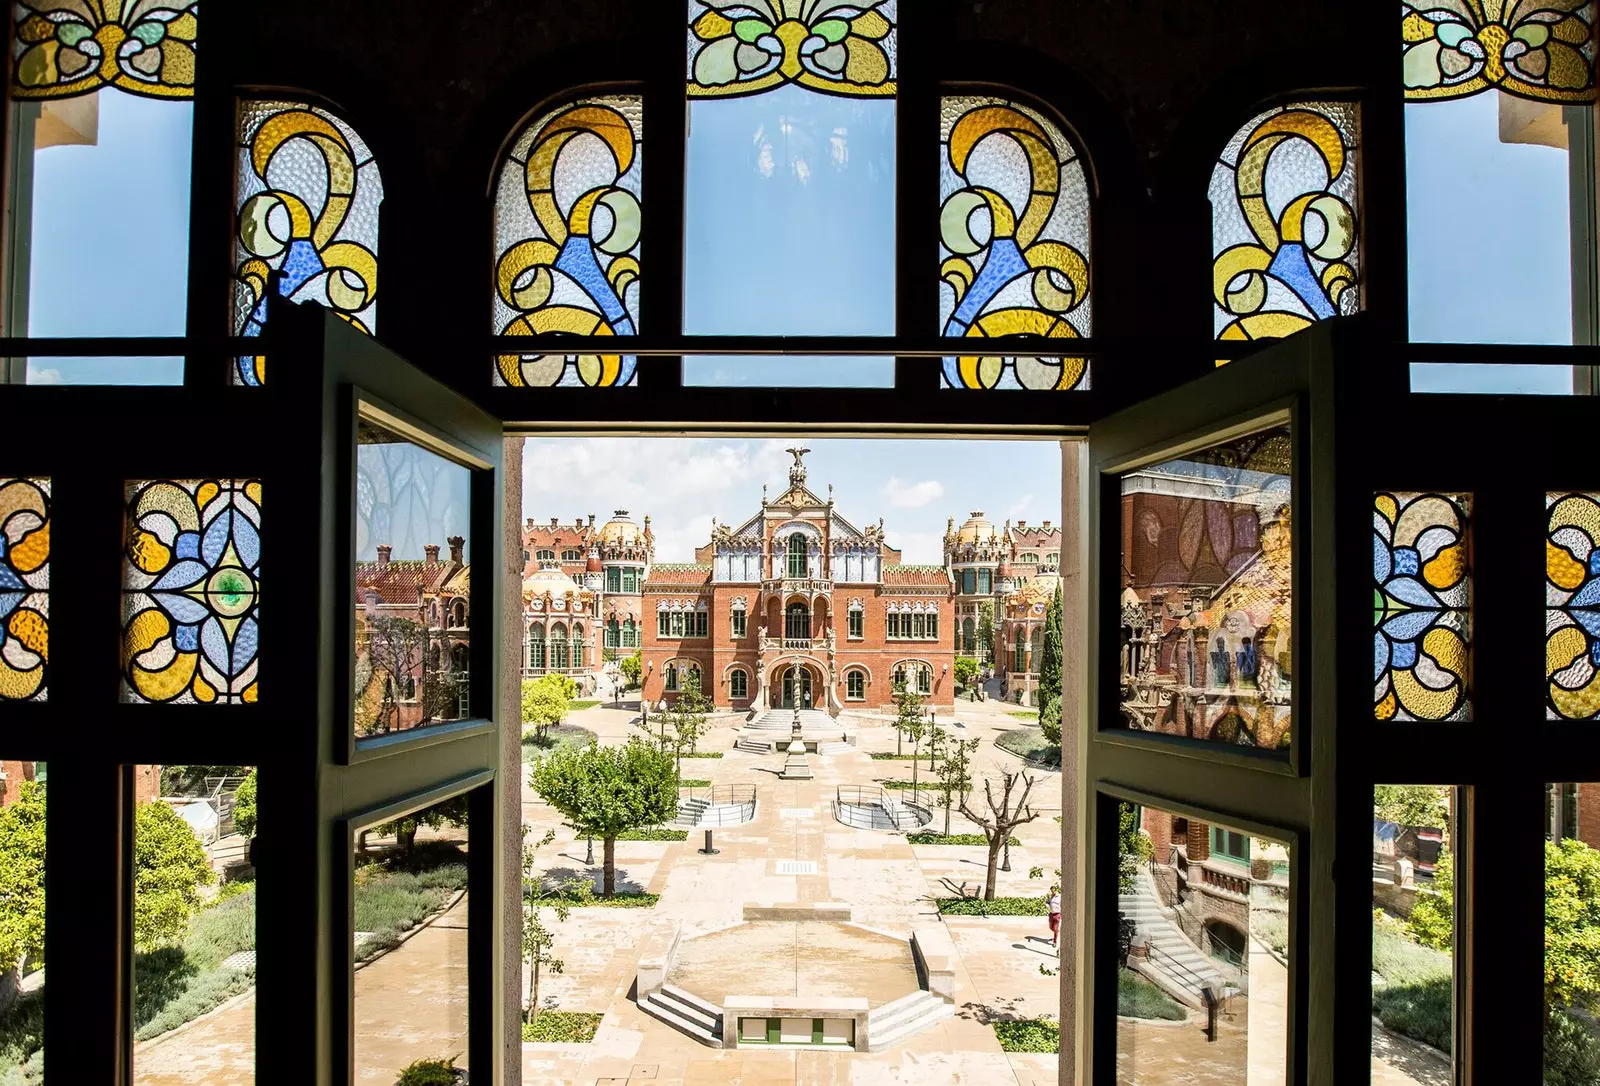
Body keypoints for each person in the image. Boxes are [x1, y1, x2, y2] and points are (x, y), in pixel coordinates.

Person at [1047, 885, 1062, 950]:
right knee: (1051, 927)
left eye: (1054, 890)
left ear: (1056, 890)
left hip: (1057, 915)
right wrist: (1047, 905)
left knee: (1055, 929)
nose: (1053, 892)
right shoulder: (1050, 896)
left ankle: (1055, 941)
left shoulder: (1059, 897)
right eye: (1051, 891)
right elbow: (1047, 902)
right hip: (1051, 914)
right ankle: (1056, 933)